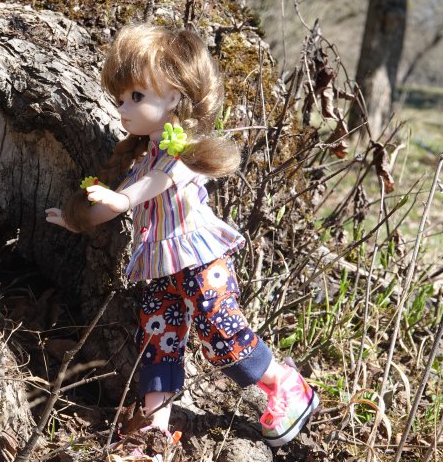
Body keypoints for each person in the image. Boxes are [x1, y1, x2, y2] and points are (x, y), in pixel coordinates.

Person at [44, 24, 317, 451]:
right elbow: (130, 190)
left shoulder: (181, 153)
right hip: (158, 268)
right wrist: (78, 219)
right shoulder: (143, 157)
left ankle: (285, 384)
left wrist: (119, 201)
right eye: (121, 99)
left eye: (136, 96)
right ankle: (153, 433)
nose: (124, 108)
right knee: (157, 343)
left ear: (174, 95)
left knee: (220, 331)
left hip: (199, 261)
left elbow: (154, 184)